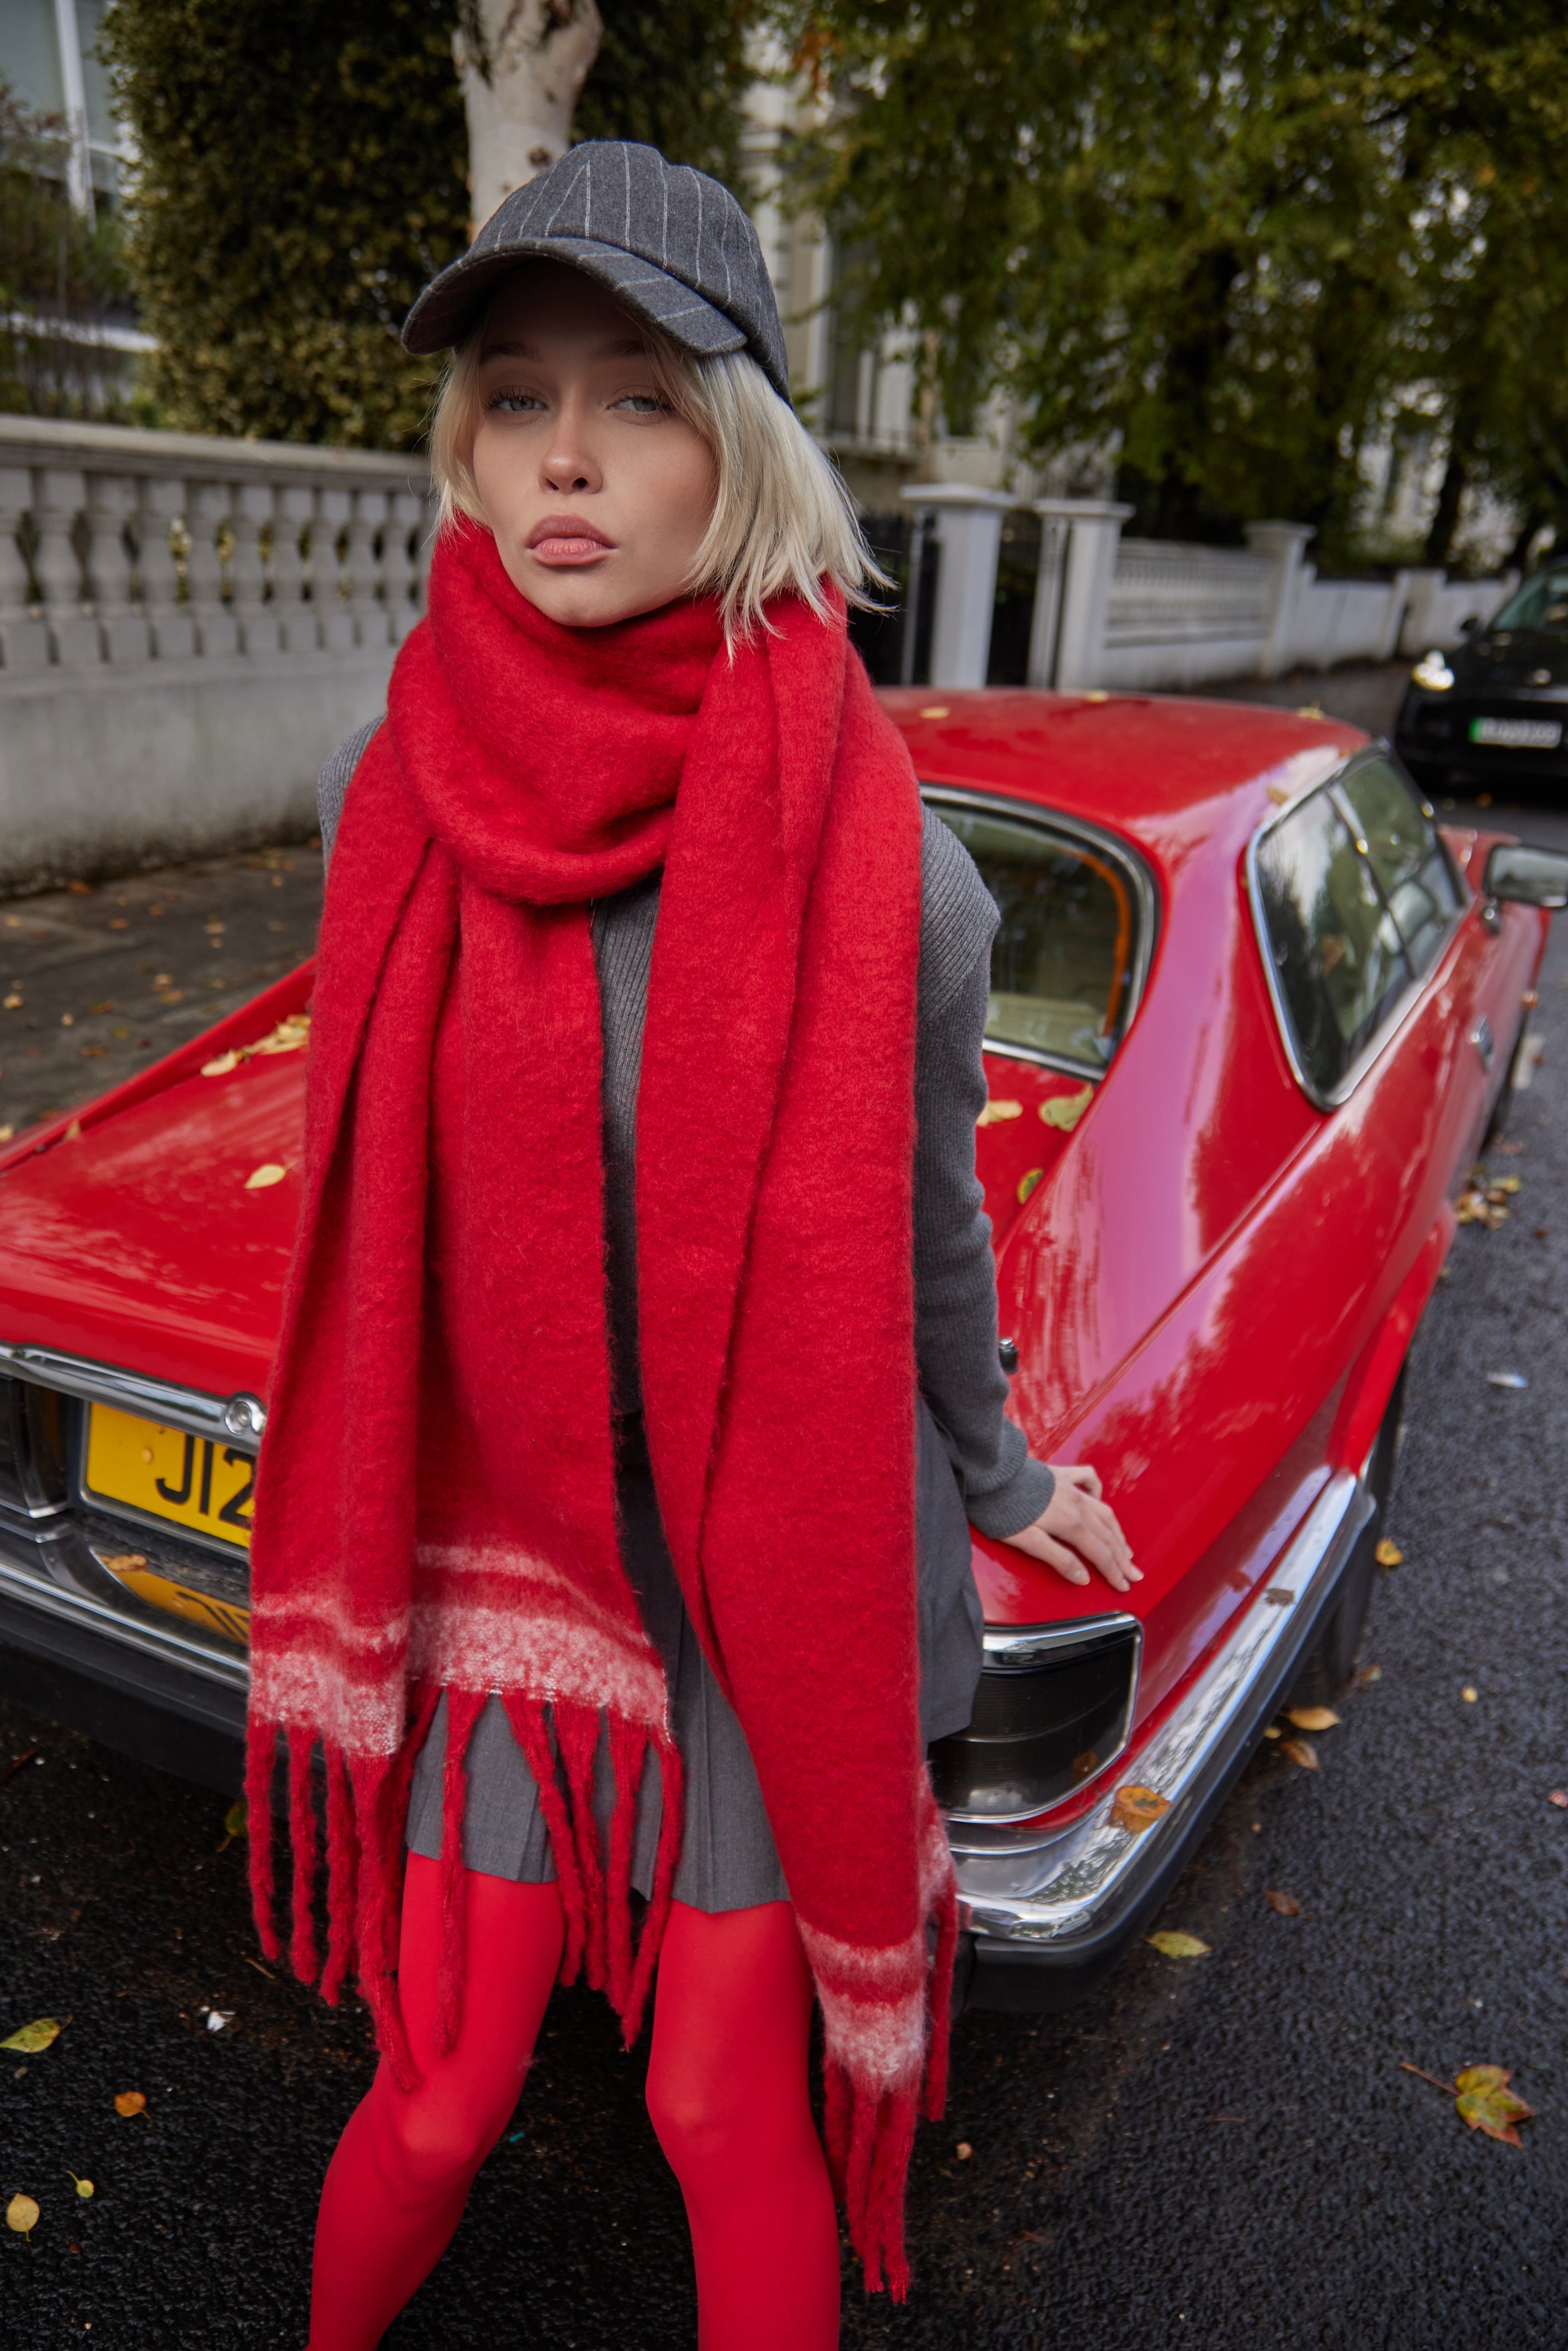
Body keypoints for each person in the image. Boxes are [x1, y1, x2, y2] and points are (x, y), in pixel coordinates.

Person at [244, 141, 1136, 2351]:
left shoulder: (895, 871)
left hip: (770, 1566)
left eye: (637, 395)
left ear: (739, 446)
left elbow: (928, 1232)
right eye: (518, 396)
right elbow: (375, 1197)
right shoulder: (394, 790)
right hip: (510, 1544)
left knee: (724, 2109)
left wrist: (1006, 1471)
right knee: (436, 2096)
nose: (564, 455)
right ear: (468, 449)